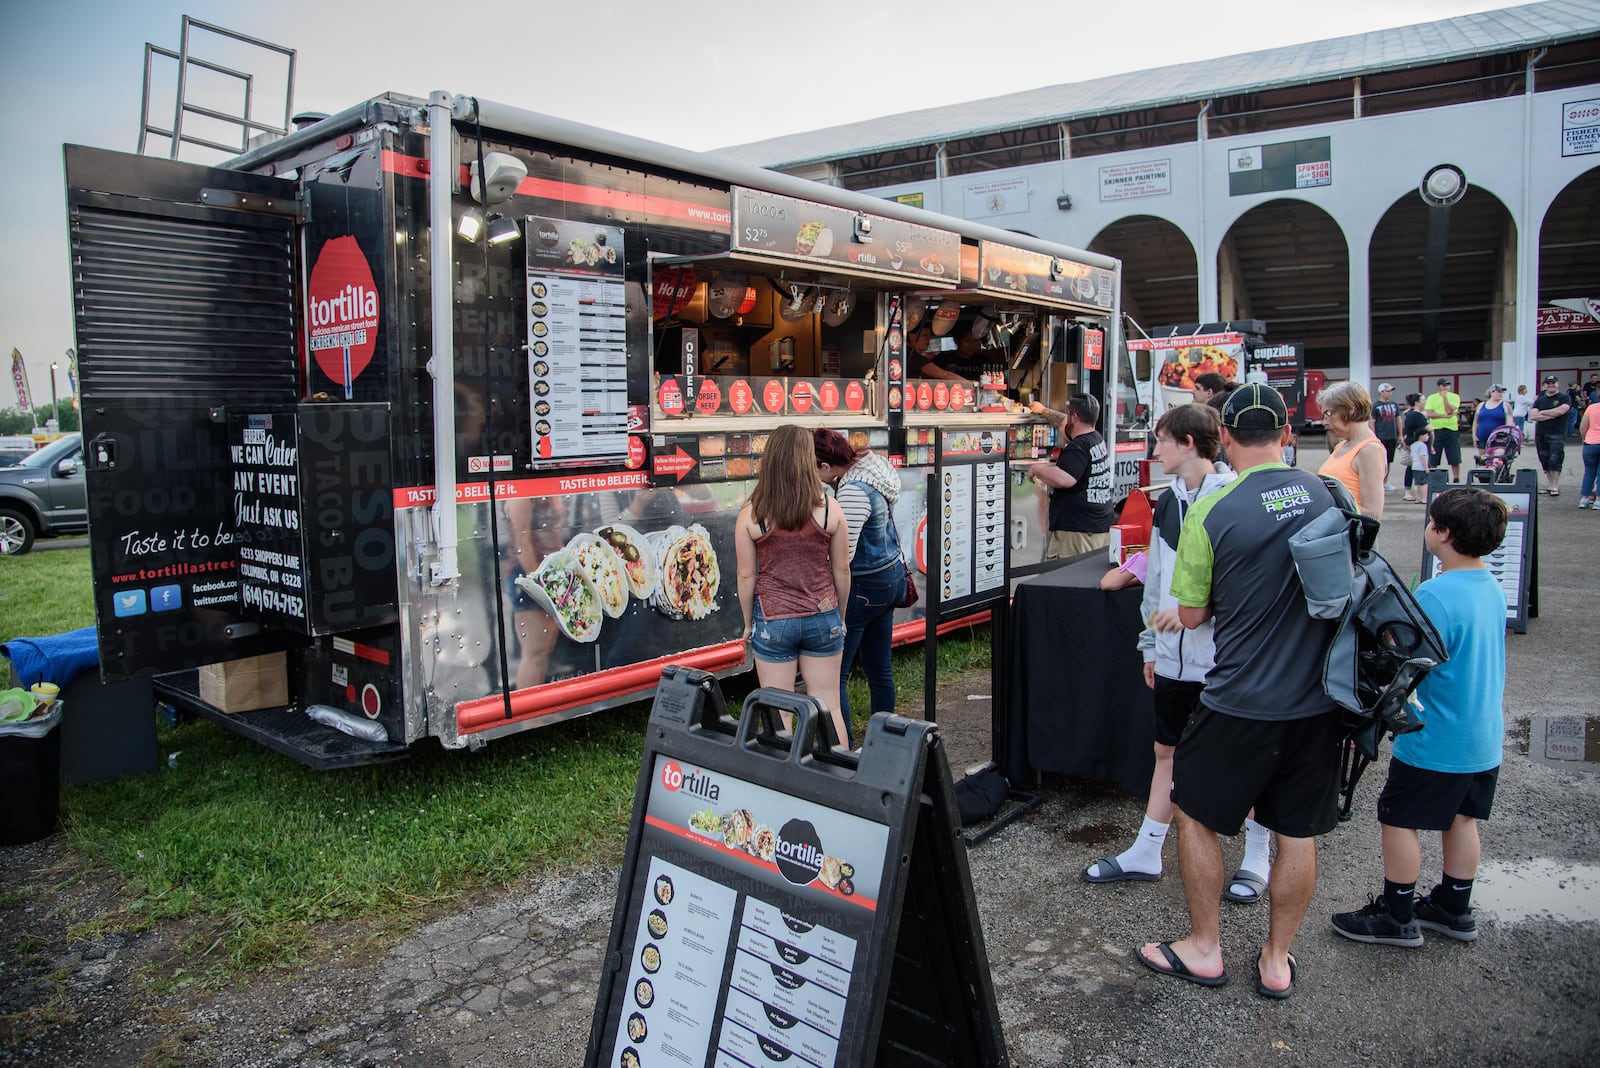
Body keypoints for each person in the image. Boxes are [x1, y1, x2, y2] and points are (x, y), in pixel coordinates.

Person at [1136, 382, 1341, 999]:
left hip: (1239, 697)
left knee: (1194, 812)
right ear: (1286, 434)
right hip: (1317, 698)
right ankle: (1277, 960)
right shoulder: (1325, 493)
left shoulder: (1212, 511)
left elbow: (1192, 615)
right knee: (1295, 830)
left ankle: (1204, 948)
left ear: (1223, 437)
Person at [1081, 405, 1274, 901]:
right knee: (1165, 749)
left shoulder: (1234, 496)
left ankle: (1257, 856)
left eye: (1162, 440)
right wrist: (1151, 644)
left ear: (1189, 442)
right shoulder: (1166, 502)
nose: (1154, 450)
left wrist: (1197, 615)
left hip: (1225, 659)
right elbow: (1158, 578)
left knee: (1243, 757)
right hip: (1173, 657)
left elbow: (1246, 585)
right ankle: (1147, 852)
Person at [1331, 487, 1509, 947]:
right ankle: (1454, 906)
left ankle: (1397, 912)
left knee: (1398, 816)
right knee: (1462, 818)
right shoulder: (1491, 587)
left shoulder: (1436, 594)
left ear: (1444, 533)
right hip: (1482, 735)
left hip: (1437, 737)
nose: (1428, 529)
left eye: (1431, 523)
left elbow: (1403, 658)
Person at [734, 424, 852, 746]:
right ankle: (841, 779)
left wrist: (748, 624)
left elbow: (747, 576)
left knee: (778, 712)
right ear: (806, 459)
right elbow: (842, 570)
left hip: (773, 621)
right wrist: (839, 616)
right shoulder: (830, 509)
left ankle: (784, 787)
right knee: (829, 705)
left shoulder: (751, 515)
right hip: (822, 616)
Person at [812, 427, 906, 732]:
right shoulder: (871, 465)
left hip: (864, 587)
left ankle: (843, 749)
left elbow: (844, 555)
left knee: (835, 673)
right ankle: (887, 737)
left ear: (825, 466)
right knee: (879, 667)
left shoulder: (852, 491)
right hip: (889, 578)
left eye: (813, 470)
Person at [1028, 393, 1114, 558]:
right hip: (1096, 528)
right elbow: (1062, 423)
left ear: (1074, 417)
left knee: (1067, 578)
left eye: (1069, 414)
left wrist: (1036, 469)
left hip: (1077, 533)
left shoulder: (1078, 446)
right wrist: (1043, 410)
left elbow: (1064, 479)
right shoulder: (1095, 439)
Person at [1317, 380, 1386, 519]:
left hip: (1350, 537)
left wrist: (1324, 507)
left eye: (1329, 413)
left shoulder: (1369, 450)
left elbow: (1372, 513)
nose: (1324, 422)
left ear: (1350, 409)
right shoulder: (1341, 445)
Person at [1528, 374, 1571, 496]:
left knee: (1555, 459)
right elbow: (1533, 416)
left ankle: (1555, 486)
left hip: (1557, 433)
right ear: (1545, 385)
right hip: (1541, 434)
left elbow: (1561, 411)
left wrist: (1543, 413)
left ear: (1557, 384)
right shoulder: (1540, 400)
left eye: (1553, 383)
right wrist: (1552, 414)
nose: (1551, 385)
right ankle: (1549, 485)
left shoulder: (1564, 397)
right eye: (1549, 383)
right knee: (1544, 460)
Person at [1424, 377, 1462, 482]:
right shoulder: (1432, 398)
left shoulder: (1454, 397)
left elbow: (1449, 410)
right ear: (1439, 386)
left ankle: (1456, 478)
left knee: (1454, 456)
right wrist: (1445, 416)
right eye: (1444, 385)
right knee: (1434, 455)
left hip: (1451, 429)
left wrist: (1445, 398)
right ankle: (1432, 478)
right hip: (1436, 430)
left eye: (1448, 385)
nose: (1446, 387)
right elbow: (1429, 414)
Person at [1402, 393, 1433, 504]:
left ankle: (1409, 492)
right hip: (1415, 445)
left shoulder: (1411, 413)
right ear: (1417, 402)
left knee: (1412, 468)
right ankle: (1411, 493)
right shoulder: (1417, 415)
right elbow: (1429, 428)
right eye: (1423, 400)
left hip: (1410, 443)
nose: (1425, 402)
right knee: (1415, 468)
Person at [1372, 383, 1401, 491]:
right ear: (1381, 392)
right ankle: (1378, 481)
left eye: (1390, 391)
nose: (1390, 393)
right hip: (1381, 435)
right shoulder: (1376, 406)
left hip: (1391, 436)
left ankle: (1386, 481)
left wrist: (1400, 434)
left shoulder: (1394, 405)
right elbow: (1372, 421)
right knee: (1380, 460)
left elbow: (1398, 419)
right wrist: (1374, 435)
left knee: (1388, 460)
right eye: (1387, 391)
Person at [1472, 384, 1509, 454]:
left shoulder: (1505, 405)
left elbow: (1509, 422)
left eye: (1502, 392)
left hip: (1498, 438)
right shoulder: (1481, 405)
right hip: (1482, 437)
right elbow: (1476, 422)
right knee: (1483, 460)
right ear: (1491, 392)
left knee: (1495, 459)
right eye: (1498, 392)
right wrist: (1474, 435)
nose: (1500, 394)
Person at [1579, 398, 1600, 510]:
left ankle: (1584, 498)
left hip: (1590, 443)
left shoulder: (1591, 408)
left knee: (1589, 472)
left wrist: (1584, 438)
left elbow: (1583, 427)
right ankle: (1598, 501)